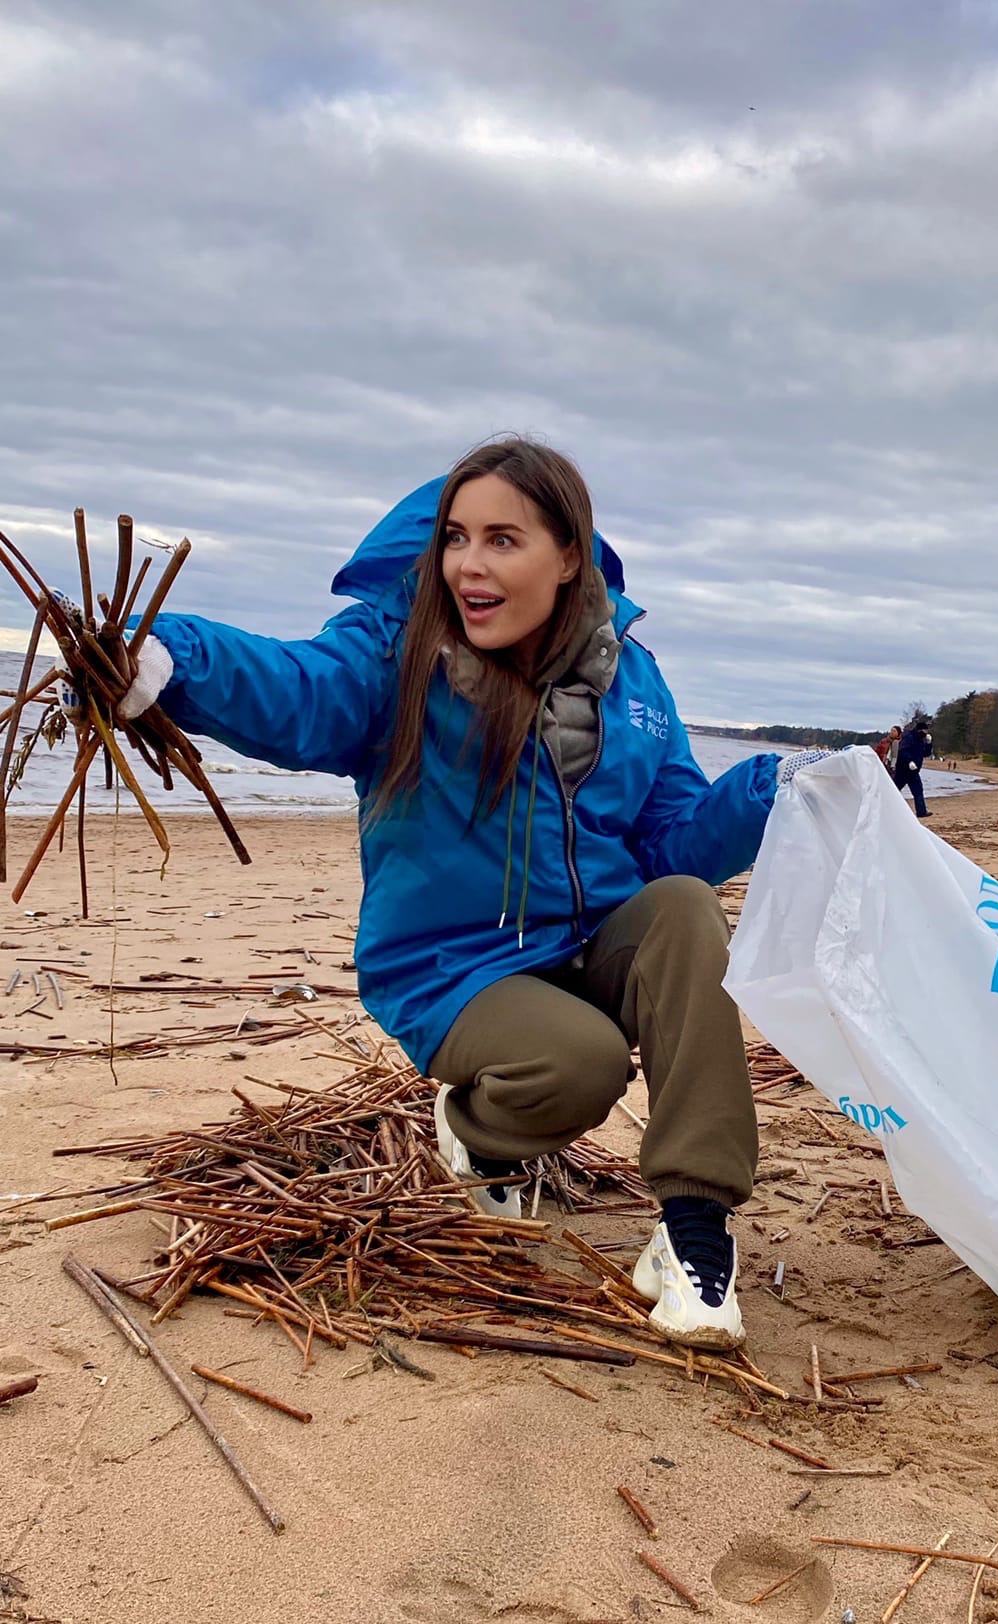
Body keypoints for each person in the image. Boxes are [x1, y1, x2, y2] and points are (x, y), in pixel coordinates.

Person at [97, 437, 783, 1351]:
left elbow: (670, 844)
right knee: (579, 1065)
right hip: (458, 964)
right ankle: (477, 1134)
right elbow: (301, 691)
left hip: (590, 939)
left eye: (503, 539)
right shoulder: (398, 649)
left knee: (689, 910)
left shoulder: (633, 679)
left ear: (569, 555)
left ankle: (695, 1234)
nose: (470, 564)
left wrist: (771, 791)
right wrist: (171, 660)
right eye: (457, 538)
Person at [894, 715, 933, 818]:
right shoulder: (908, 737)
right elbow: (902, 751)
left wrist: (929, 744)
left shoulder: (921, 740)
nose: (926, 734)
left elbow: (926, 754)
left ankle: (921, 812)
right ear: (919, 730)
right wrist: (909, 761)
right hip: (902, 770)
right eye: (924, 731)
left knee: (918, 791)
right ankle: (885, 806)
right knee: (894, 789)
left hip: (914, 771)